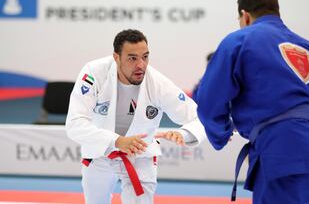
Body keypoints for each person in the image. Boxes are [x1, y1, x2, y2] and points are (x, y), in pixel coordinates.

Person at [196, 0, 309, 204]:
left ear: (245, 16)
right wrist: (306, 138)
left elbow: (209, 100)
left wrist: (221, 134)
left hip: (281, 154)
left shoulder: (240, 40)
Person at [65, 29, 206, 204]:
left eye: (145, 57)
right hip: (100, 152)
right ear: (116, 58)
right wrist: (117, 141)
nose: (141, 65)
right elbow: (74, 124)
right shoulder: (94, 73)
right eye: (132, 58)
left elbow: (199, 117)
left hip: (140, 155)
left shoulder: (157, 83)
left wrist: (184, 134)